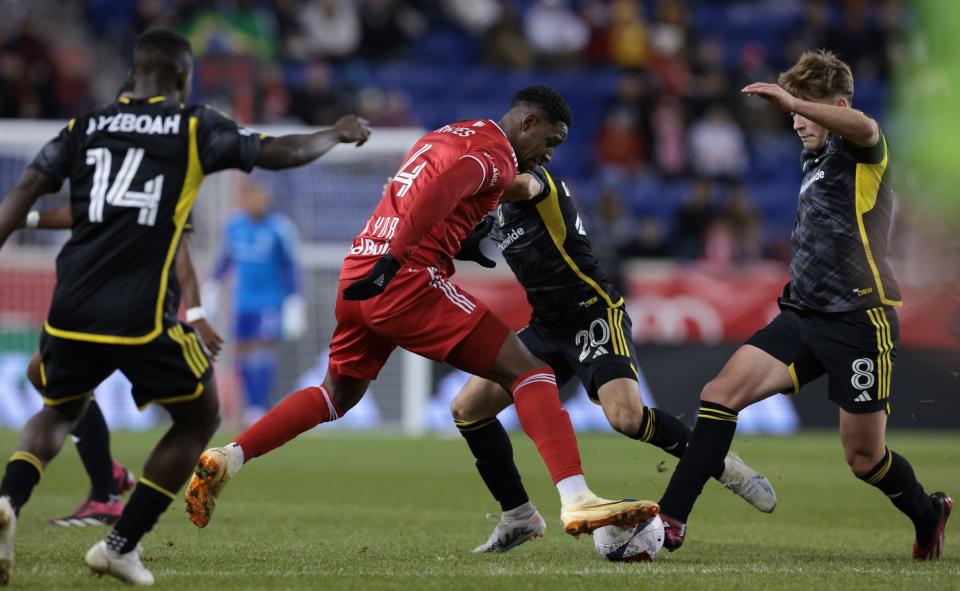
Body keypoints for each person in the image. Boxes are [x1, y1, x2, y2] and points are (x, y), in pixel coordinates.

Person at [186, 86, 659, 542]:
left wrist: (457, 239)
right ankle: (576, 497)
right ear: (528, 121)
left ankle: (231, 455)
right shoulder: (494, 154)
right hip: (405, 278)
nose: (549, 154)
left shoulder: (448, 134)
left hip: (358, 274)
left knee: (336, 395)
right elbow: (445, 188)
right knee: (531, 372)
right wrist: (400, 256)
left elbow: (407, 187)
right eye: (550, 141)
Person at [0, 28, 371, 586]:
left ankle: (8, 498)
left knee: (57, 410)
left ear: (131, 75)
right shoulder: (193, 125)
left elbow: (24, 193)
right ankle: (121, 544)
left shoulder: (84, 127)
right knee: (200, 418)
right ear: (181, 76)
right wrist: (335, 133)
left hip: (70, 306)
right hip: (141, 315)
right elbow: (275, 152)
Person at [656, 50, 951, 560]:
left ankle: (929, 513)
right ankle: (670, 519)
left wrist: (795, 99)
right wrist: (799, 105)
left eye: (805, 110)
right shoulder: (813, 159)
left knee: (864, 459)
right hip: (803, 316)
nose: (795, 121)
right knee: (719, 394)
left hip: (860, 320)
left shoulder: (864, 150)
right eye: (792, 113)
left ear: (832, 105)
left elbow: (865, 125)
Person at [450, 165, 776, 553]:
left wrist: (446, 186)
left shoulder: (538, 182)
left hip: (592, 314)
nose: (552, 149)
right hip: (546, 327)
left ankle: (720, 464)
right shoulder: (495, 207)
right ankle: (517, 515)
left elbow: (514, 184)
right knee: (467, 408)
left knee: (627, 418)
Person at [17, 204, 220, 527]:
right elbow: (82, 208)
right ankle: (106, 482)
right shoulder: (117, 167)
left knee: (198, 417)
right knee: (39, 371)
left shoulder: (176, 174)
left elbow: (182, 252)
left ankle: (110, 502)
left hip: (142, 316)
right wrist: (24, 217)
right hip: (97, 302)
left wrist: (195, 313)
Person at [211, 180, 304, 425]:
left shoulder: (280, 228)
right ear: (245, 198)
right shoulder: (233, 226)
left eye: (262, 196)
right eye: (253, 196)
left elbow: (291, 266)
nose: (258, 201)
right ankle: (249, 405)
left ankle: (259, 406)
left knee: (262, 352)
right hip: (242, 302)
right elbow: (225, 261)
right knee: (241, 352)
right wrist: (211, 288)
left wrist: (294, 302)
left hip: (269, 302)